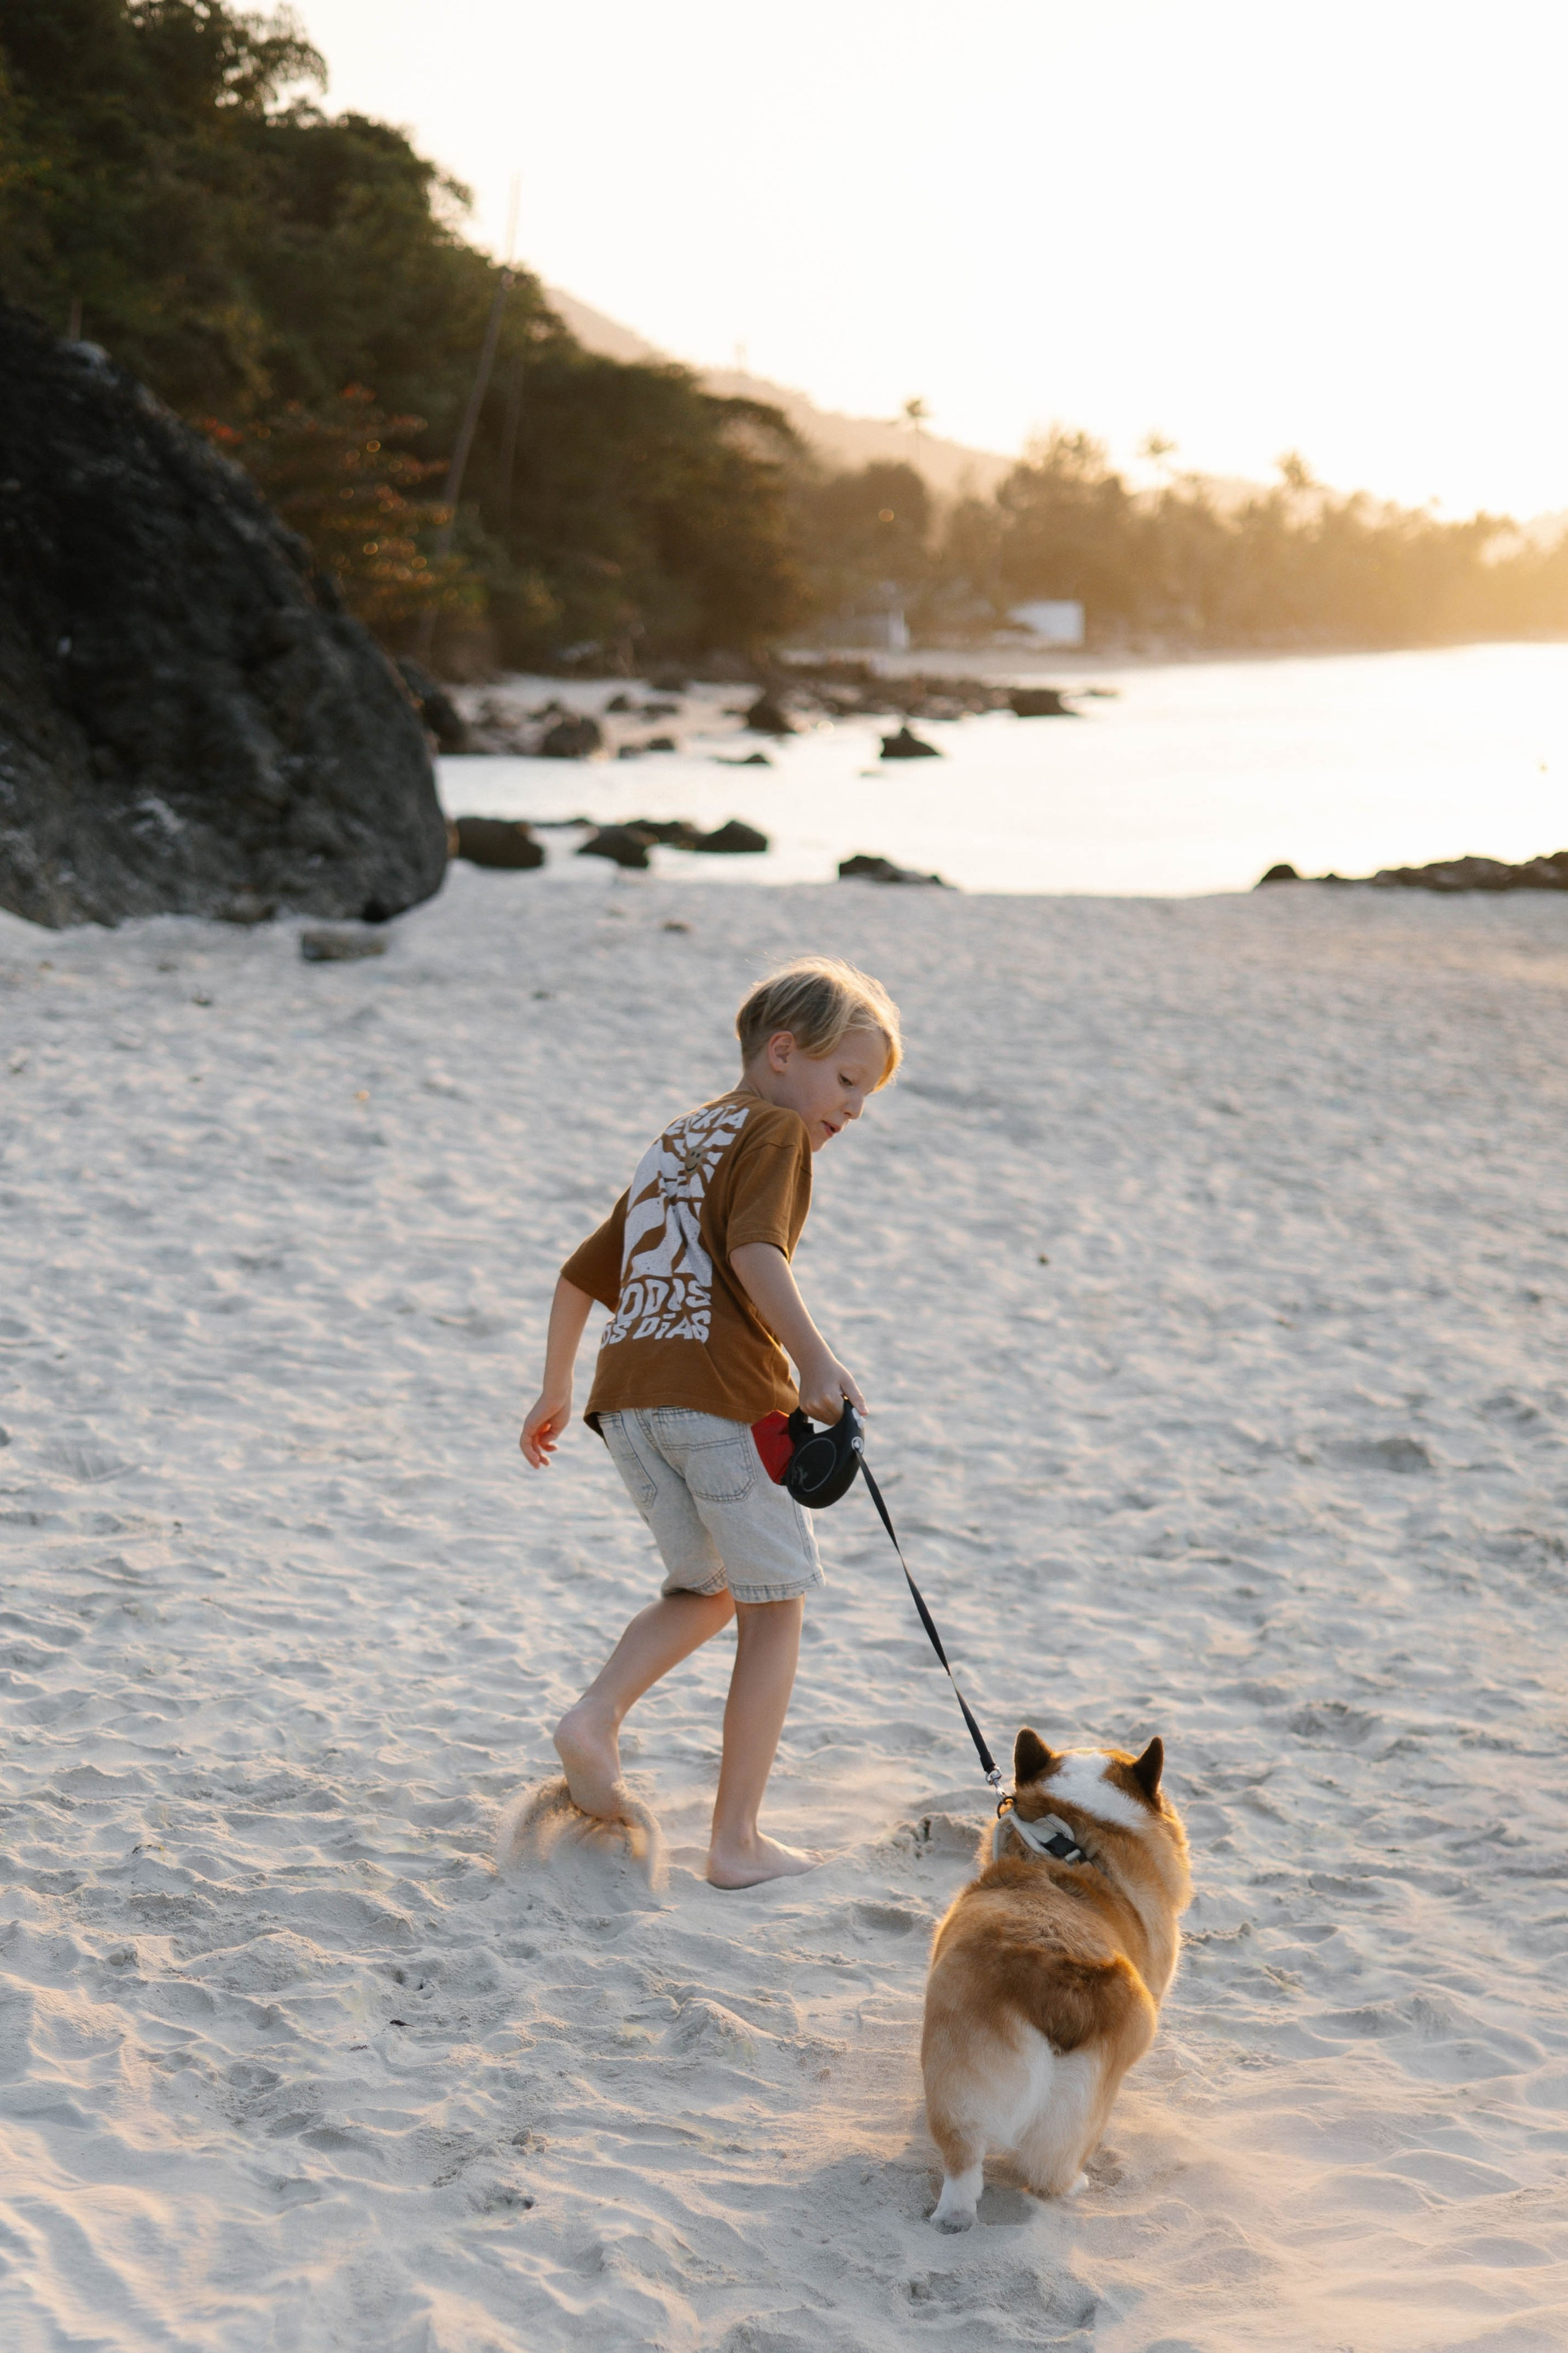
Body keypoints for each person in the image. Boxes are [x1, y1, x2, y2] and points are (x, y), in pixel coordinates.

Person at [519, 956, 902, 1887]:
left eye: (866, 1095)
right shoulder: (775, 1131)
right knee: (777, 1608)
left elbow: (581, 1273)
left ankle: (594, 1716)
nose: (851, 1110)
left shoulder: (680, 1137)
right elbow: (755, 1248)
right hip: (719, 1398)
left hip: (630, 1404)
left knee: (711, 1586)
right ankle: (735, 1841)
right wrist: (814, 1359)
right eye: (847, 1081)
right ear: (783, 1052)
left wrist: (555, 1385)